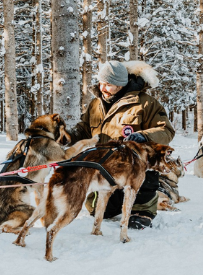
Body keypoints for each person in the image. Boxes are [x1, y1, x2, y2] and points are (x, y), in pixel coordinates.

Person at [69, 60, 175, 229]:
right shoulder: (96, 104)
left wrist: (143, 136)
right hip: (107, 168)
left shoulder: (145, 103)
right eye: (101, 83)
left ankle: (143, 209)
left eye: (109, 84)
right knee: (96, 209)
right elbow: (84, 129)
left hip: (136, 167)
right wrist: (69, 136)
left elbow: (166, 131)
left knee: (141, 189)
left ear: (121, 84)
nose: (103, 88)